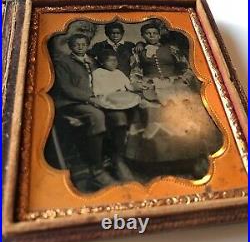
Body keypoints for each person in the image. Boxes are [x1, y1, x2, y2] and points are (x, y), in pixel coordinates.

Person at [125, 20, 223, 179]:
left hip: (175, 85)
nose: (152, 36)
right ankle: (162, 165)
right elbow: (135, 72)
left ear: (159, 35)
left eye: (154, 33)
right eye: (148, 34)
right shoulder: (138, 52)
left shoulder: (171, 49)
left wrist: (181, 80)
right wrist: (143, 84)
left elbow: (187, 68)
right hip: (153, 87)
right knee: (154, 116)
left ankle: (192, 159)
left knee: (184, 115)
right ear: (143, 36)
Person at [50, 33, 117, 190]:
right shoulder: (63, 62)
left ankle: (115, 160)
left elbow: (101, 79)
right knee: (97, 115)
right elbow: (66, 88)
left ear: (87, 45)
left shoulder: (92, 61)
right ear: (71, 46)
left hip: (95, 99)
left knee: (118, 113)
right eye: (76, 44)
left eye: (83, 44)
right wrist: (90, 98)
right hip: (72, 103)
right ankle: (97, 170)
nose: (80, 47)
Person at [92, 50, 137, 181]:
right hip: (110, 101)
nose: (114, 63)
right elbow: (98, 92)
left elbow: (129, 87)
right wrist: (112, 93)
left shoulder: (119, 73)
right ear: (101, 62)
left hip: (125, 99)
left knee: (140, 112)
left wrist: (137, 86)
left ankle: (134, 152)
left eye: (115, 60)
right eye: (109, 61)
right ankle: (118, 157)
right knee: (119, 118)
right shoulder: (98, 74)